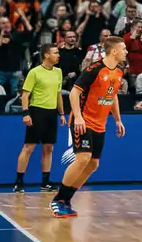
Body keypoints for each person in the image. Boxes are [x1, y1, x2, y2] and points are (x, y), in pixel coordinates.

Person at [52, 36, 128, 218]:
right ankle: (58, 199)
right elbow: (74, 93)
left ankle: (66, 199)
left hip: (100, 124)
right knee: (83, 159)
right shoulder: (94, 69)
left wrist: (118, 120)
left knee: (93, 164)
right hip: (84, 121)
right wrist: (77, 117)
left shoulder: (118, 72)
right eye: (124, 48)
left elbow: (113, 96)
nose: (126, 51)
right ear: (114, 51)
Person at [15, 46, 65, 192]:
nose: (58, 55)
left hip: (51, 113)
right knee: (29, 147)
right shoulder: (34, 72)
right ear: (46, 55)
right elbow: (25, 95)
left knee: (48, 148)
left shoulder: (58, 72)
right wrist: (26, 113)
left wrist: (61, 114)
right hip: (37, 112)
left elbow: (58, 94)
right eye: (55, 52)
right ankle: (19, 182)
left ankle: (45, 182)